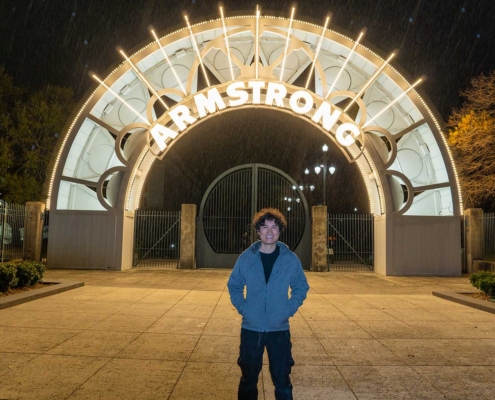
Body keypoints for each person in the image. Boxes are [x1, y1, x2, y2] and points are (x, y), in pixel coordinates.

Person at [228, 208, 309, 400]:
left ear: (280, 231)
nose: (269, 232)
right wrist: (245, 309)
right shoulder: (247, 257)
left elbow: (301, 286)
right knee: (248, 379)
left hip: (279, 330)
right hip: (251, 329)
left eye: (274, 227)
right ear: (258, 230)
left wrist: (286, 311)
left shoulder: (289, 259)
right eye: (264, 227)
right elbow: (234, 285)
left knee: (282, 380)